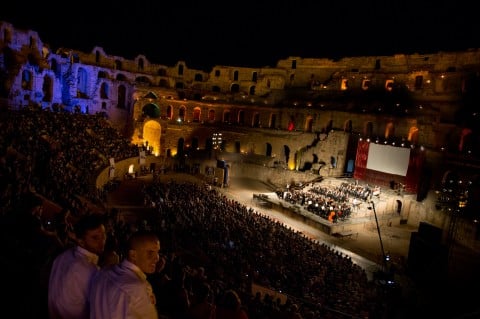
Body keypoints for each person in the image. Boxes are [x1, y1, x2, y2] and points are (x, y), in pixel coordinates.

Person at [89, 230, 161, 319]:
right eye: (150, 253)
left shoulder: (103, 272)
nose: (157, 258)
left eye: (158, 252)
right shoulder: (139, 288)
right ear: (133, 255)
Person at [47, 213, 107, 319]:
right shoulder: (90, 270)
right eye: (95, 238)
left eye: (104, 235)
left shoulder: (63, 256)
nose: (102, 241)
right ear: (80, 241)